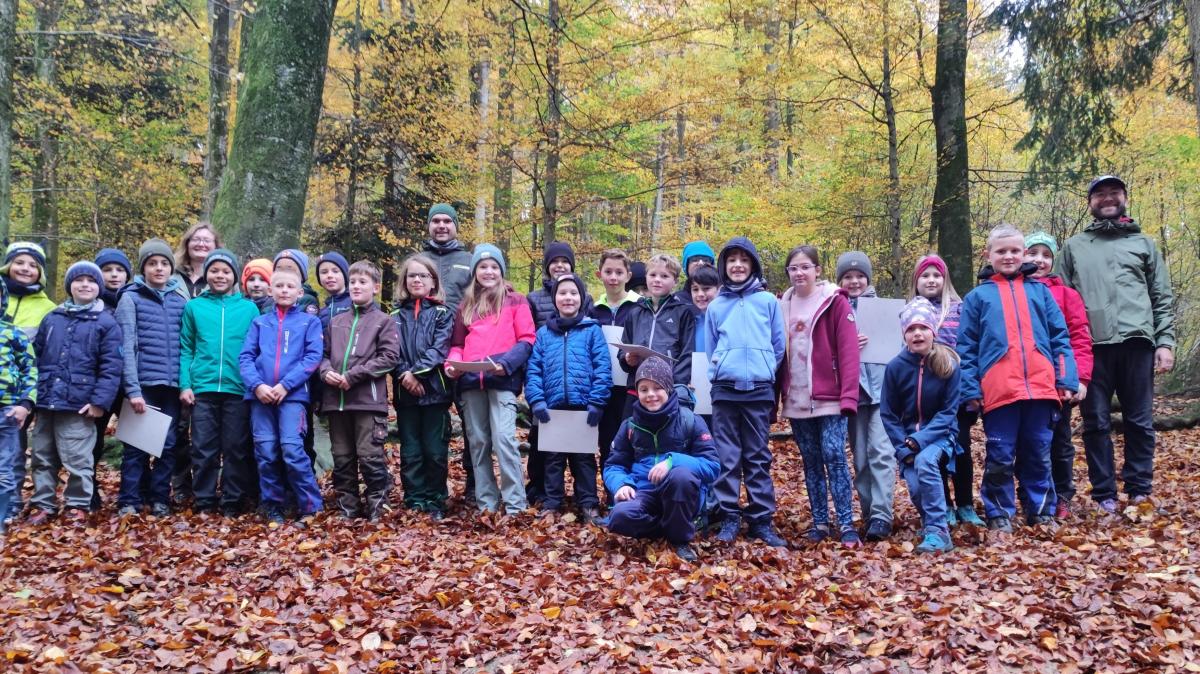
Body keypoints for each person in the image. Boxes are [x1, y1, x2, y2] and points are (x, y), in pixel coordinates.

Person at [1059, 175, 1175, 513]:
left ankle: (1139, 489)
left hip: (1138, 343)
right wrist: (1066, 354)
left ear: (1124, 198)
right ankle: (1104, 494)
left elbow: (1161, 297)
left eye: (1114, 193)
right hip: (1091, 347)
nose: (1107, 199)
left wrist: (1164, 342)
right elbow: (1062, 303)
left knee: (1139, 421)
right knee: (1095, 422)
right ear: (1090, 203)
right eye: (1100, 195)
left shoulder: (1144, 244)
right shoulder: (1074, 247)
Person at [957, 224, 1078, 533]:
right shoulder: (977, 297)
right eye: (1001, 251)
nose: (1008, 256)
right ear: (989, 255)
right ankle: (999, 511)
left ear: (1024, 254)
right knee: (999, 453)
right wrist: (970, 387)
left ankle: (1040, 509)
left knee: (1038, 450)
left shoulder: (1041, 292)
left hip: (1041, 388)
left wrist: (1065, 379)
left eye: (1014, 251)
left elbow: (1060, 338)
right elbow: (966, 347)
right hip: (999, 391)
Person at [705, 237, 787, 547]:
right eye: (731, 260)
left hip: (758, 390)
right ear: (724, 267)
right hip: (725, 390)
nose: (737, 265)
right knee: (727, 457)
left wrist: (763, 370)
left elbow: (778, 345)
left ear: (753, 264)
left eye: (744, 259)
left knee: (757, 456)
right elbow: (712, 346)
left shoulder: (767, 302)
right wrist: (722, 370)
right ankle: (728, 517)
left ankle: (761, 520)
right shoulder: (716, 305)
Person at [26, 262, 122, 524]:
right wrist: (32, 396)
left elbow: (111, 367)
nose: (85, 285)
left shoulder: (105, 322)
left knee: (78, 458)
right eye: (78, 280)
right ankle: (43, 504)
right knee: (43, 456)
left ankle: (77, 505)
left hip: (80, 404)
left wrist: (100, 402)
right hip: (46, 401)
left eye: (91, 281)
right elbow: (35, 357)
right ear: (70, 286)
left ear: (98, 287)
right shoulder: (53, 318)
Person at [778, 245, 861, 547]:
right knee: (811, 460)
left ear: (817, 270)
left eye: (805, 267)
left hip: (831, 395)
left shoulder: (834, 302)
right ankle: (820, 522)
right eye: (793, 268)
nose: (799, 273)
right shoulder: (782, 305)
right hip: (797, 398)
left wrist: (849, 396)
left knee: (835, 454)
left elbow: (850, 350)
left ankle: (847, 523)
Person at [444, 245, 536, 515]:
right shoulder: (466, 304)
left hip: (502, 381)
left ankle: (515, 504)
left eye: (494, 267)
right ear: (475, 272)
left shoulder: (516, 300)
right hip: (471, 382)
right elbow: (458, 343)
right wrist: (452, 364)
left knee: (505, 440)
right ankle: (487, 503)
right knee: (479, 442)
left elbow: (527, 340)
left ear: (501, 271)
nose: (488, 271)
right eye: (483, 267)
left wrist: (506, 364)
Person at [604, 357, 719, 563]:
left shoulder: (691, 420)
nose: (651, 395)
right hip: (644, 494)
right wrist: (621, 484)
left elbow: (712, 466)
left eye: (657, 388)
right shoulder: (629, 426)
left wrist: (672, 461)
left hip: (682, 494)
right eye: (644, 389)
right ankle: (668, 525)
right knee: (619, 517)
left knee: (680, 476)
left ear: (668, 388)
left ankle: (679, 539)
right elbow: (614, 465)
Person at [239, 267, 324, 525]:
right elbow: (245, 357)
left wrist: (286, 385)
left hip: (293, 397)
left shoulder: (309, 322)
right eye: (279, 286)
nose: (284, 290)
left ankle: (310, 506)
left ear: (299, 292)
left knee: (292, 448)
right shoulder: (259, 322)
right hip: (260, 398)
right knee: (265, 451)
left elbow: (313, 357)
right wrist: (257, 386)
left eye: (290, 287)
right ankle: (272, 503)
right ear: (270, 290)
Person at [178, 249, 259, 516]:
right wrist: (185, 384)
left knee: (235, 447)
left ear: (234, 275)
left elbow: (255, 349)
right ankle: (204, 499)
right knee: (203, 448)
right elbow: (186, 348)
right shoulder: (194, 307)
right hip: (203, 388)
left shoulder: (248, 308)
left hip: (238, 389)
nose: (220, 275)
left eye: (226, 271)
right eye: (214, 270)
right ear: (206, 274)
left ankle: (232, 501)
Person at [525, 274, 611, 524]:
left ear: (582, 298)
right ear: (555, 300)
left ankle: (588, 503)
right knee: (553, 459)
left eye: (573, 293)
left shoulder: (592, 330)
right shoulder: (544, 333)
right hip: (552, 408)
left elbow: (602, 368)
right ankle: (552, 502)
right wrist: (537, 401)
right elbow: (534, 370)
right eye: (562, 293)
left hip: (583, 407)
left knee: (583, 460)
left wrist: (597, 402)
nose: (568, 298)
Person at [320, 260, 400, 522]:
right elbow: (322, 355)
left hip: (367, 401)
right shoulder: (336, 321)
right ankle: (348, 508)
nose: (356, 286)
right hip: (336, 401)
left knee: (370, 456)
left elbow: (389, 357)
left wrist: (353, 376)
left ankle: (379, 507)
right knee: (342, 458)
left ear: (375, 287)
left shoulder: (384, 321)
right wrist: (325, 372)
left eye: (362, 282)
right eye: (352, 281)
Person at [114, 239, 188, 517]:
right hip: (143, 384)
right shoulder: (131, 297)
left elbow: (187, 345)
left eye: (164, 263)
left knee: (168, 446)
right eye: (152, 263)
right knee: (137, 446)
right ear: (143, 267)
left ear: (171, 268)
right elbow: (127, 346)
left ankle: (160, 498)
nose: (159, 268)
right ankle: (129, 500)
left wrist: (184, 384)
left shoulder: (180, 300)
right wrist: (132, 389)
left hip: (171, 386)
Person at [881, 298, 960, 554]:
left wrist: (922, 440)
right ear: (904, 334)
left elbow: (949, 412)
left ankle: (939, 532)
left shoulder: (948, 364)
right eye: (911, 329)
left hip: (939, 435)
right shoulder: (895, 367)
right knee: (915, 486)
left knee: (926, 462)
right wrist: (903, 446)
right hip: (906, 439)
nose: (917, 333)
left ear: (933, 331)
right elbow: (888, 413)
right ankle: (930, 525)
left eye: (923, 328)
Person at [909, 254, 983, 527]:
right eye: (925, 276)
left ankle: (965, 503)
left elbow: (970, 348)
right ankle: (946, 505)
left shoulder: (960, 309)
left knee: (961, 449)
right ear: (916, 281)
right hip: (927, 397)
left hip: (960, 394)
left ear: (945, 279)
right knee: (934, 452)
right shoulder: (910, 311)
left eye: (936, 275)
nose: (931, 280)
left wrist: (973, 391)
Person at [1025, 232, 1094, 519]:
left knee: (1060, 442)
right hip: (1024, 381)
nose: (1039, 260)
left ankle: (1062, 495)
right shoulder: (1012, 290)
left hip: (1058, 383)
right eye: (1033, 253)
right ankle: (1031, 496)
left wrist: (1080, 379)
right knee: (1027, 442)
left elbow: (1079, 337)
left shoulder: (1067, 294)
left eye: (1046, 255)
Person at [836, 252, 896, 541]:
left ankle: (883, 514)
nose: (854, 281)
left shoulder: (884, 309)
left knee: (881, 453)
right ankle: (870, 512)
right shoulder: (836, 308)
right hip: (853, 393)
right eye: (848, 276)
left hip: (884, 392)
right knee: (860, 457)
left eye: (860, 276)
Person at [524, 241, 589, 506]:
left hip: (578, 391)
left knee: (581, 456)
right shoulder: (534, 299)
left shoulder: (588, 324)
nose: (559, 265)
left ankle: (586, 500)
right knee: (545, 450)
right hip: (548, 388)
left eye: (565, 261)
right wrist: (536, 396)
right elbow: (532, 354)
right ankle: (545, 494)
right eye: (554, 261)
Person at [392, 254, 455, 520]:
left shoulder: (443, 313)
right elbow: (390, 351)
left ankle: (435, 499)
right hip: (404, 395)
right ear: (404, 281)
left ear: (433, 281)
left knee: (434, 450)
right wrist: (404, 375)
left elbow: (439, 348)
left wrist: (417, 374)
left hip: (435, 393)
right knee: (410, 450)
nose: (417, 280)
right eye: (412, 275)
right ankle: (414, 498)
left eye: (423, 275)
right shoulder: (394, 316)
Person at [421, 203, 476, 502]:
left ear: (456, 226)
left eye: (447, 221)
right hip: (427, 356)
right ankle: (433, 490)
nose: (441, 226)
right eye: (436, 221)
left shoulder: (468, 261)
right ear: (429, 225)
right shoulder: (418, 260)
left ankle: (473, 486)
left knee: (472, 425)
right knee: (432, 425)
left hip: (463, 352)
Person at [0, 241, 55, 519]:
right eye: (20, 262)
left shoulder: (47, 307)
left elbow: (48, 353)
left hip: (22, 391)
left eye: (33, 265)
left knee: (14, 449)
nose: (26, 268)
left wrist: (32, 395)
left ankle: (10, 502)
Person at [589, 249, 641, 477]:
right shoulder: (592, 310)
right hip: (602, 387)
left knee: (633, 439)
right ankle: (611, 493)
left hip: (632, 386)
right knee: (606, 441)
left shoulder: (640, 306)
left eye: (619, 272)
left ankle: (634, 494)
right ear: (599, 274)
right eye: (608, 272)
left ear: (628, 276)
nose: (613, 277)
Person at [618, 254, 695, 404]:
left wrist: (675, 384)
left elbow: (687, 354)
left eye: (664, 276)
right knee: (630, 427)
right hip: (637, 387)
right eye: (652, 274)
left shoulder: (682, 312)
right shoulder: (635, 311)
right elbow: (623, 347)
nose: (657, 280)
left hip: (667, 390)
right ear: (646, 277)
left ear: (675, 281)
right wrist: (626, 359)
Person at [91, 247, 133, 511]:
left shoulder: (133, 300)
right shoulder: (91, 305)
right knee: (92, 439)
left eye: (120, 270)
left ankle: (134, 493)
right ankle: (89, 491)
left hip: (129, 383)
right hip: (99, 384)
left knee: (136, 440)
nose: (114, 275)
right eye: (108, 270)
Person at [0, 280, 35, 538]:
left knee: (5, 469)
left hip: (7, 412)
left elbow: (30, 371)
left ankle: (1, 519)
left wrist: (25, 404)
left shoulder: (13, 334)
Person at [674, 240, 716, 311]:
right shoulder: (676, 301)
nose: (700, 263)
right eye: (695, 259)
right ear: (686, 266)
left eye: (705, 259)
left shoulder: (724, 297)